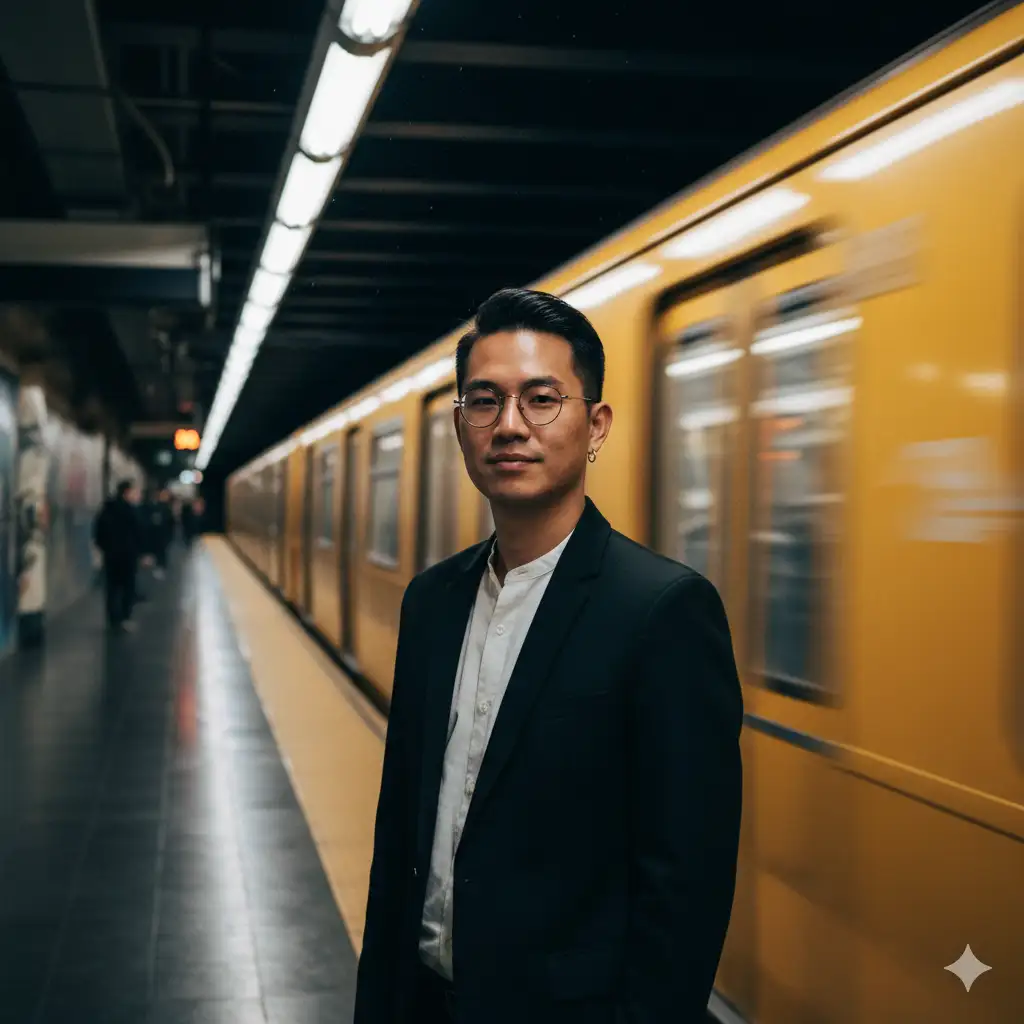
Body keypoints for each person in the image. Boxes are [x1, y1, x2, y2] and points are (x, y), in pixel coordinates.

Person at [354, 288, 743, 1024]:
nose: (508, 426)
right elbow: (398, 838)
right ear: (460, 428)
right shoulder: (432, 604)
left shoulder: (662, 612)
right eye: (483, 401)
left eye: (541, 399)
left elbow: (684, 889)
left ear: (595, 426)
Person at [93, 479, 142, 632]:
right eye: (134, 492)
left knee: (112, 589)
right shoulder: (130, 511)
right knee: (127, 587)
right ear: (126, 492)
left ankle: (113, 621)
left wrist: (105, 549)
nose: (137, 495)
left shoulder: (107, 508)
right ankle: (124, 619)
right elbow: (137, 533)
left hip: (111, 556)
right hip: (127, 556)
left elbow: (98, 532)